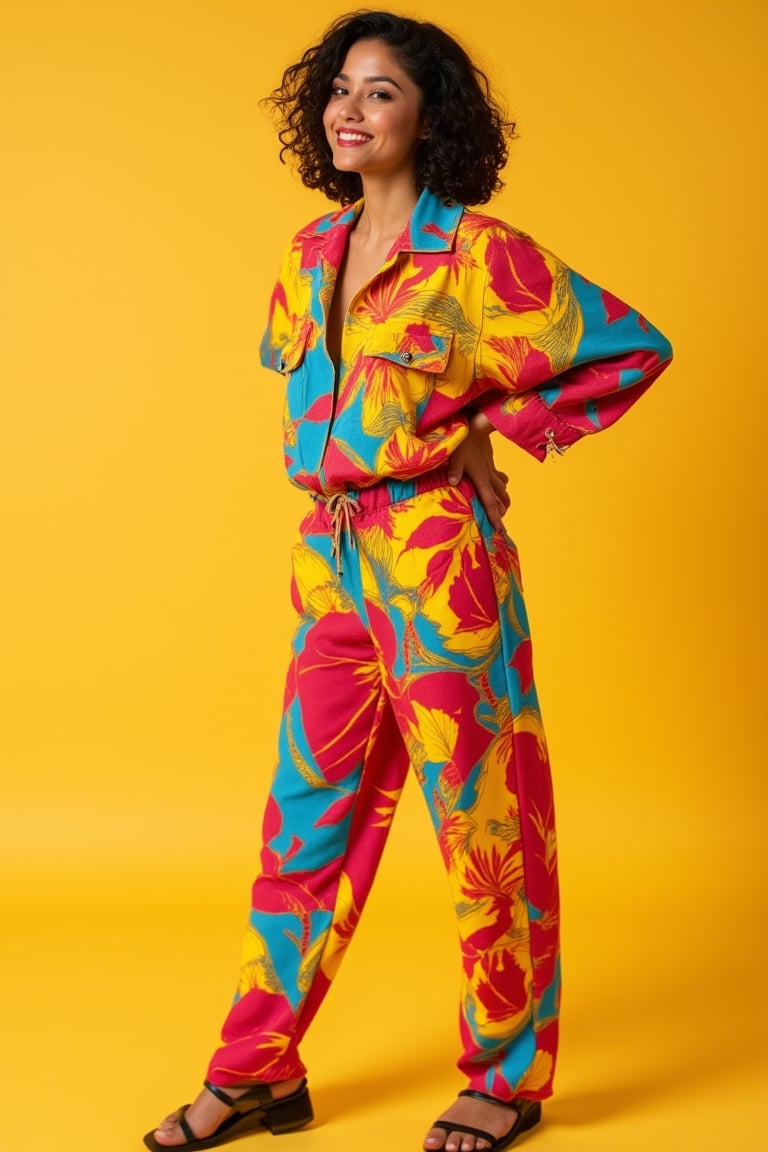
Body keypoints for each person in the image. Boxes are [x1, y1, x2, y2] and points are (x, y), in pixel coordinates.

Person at [144, 10, 672, 1152]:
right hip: (330, 562)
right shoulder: (305, 254)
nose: (350, 108)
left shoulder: (482, 257)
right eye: (339, 89)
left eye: (381, 92)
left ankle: (508, 1076)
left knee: (483, 817)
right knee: (304, 828)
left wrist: (505, 426)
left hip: (440, 560)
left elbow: (634, 347)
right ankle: (256, 1070)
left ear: (432, 118)